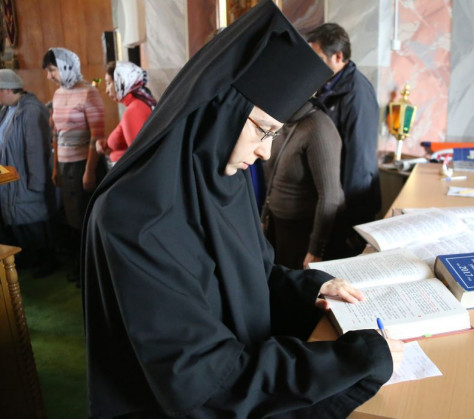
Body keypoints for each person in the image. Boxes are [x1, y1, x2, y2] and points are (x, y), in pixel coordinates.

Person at [82, 2, 403, 417]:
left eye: (275, 135)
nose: (265, 152)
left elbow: (252, 277)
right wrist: (352, 359)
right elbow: (200, 379)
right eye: (263, 130)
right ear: (221, 110)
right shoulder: (133, 218)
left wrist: (310, 288)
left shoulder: (223, 180)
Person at [306, 23, 381, 258]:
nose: (312, 63)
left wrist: (350, 220)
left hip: (349, 207)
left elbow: (359, 159)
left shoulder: (356, 94)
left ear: (338, 56)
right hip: (331, 199)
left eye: (318, 57)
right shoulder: (329, 84)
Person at [42, 47, 105, 282]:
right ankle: (80, 265)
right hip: (65, 164)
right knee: (72, 219)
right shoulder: (58, 94)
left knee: (84, 217)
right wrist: (56, 167)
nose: (49, 76)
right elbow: (56, 133)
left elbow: (96, 135)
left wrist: (89, 171)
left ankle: (90, 270)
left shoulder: (89, 93)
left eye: (52, 70)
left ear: (66, 67)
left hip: (83, 164)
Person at [261, 99, 345, 269]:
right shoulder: (283, 121)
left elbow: (330, 196)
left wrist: (316, 250)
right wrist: (264, 216)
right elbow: (273, 175)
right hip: (279, 227)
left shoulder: (319, 128)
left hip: (304, 233)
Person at [0, 70, 56, 277]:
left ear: (7, 90)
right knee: (18, 222)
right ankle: (30, 257)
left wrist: (37, 182)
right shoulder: (7, 108)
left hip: (27, 177)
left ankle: (46, 261)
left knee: (34, 222)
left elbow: (36, 149)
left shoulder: (31, 110)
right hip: (11, 177)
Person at [96, 61, 156, 166]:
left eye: (109, 83)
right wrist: (107, 143)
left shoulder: (134, 110)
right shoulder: (138, 104)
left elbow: (138, 157)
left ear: (122, 81)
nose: (107, 90)